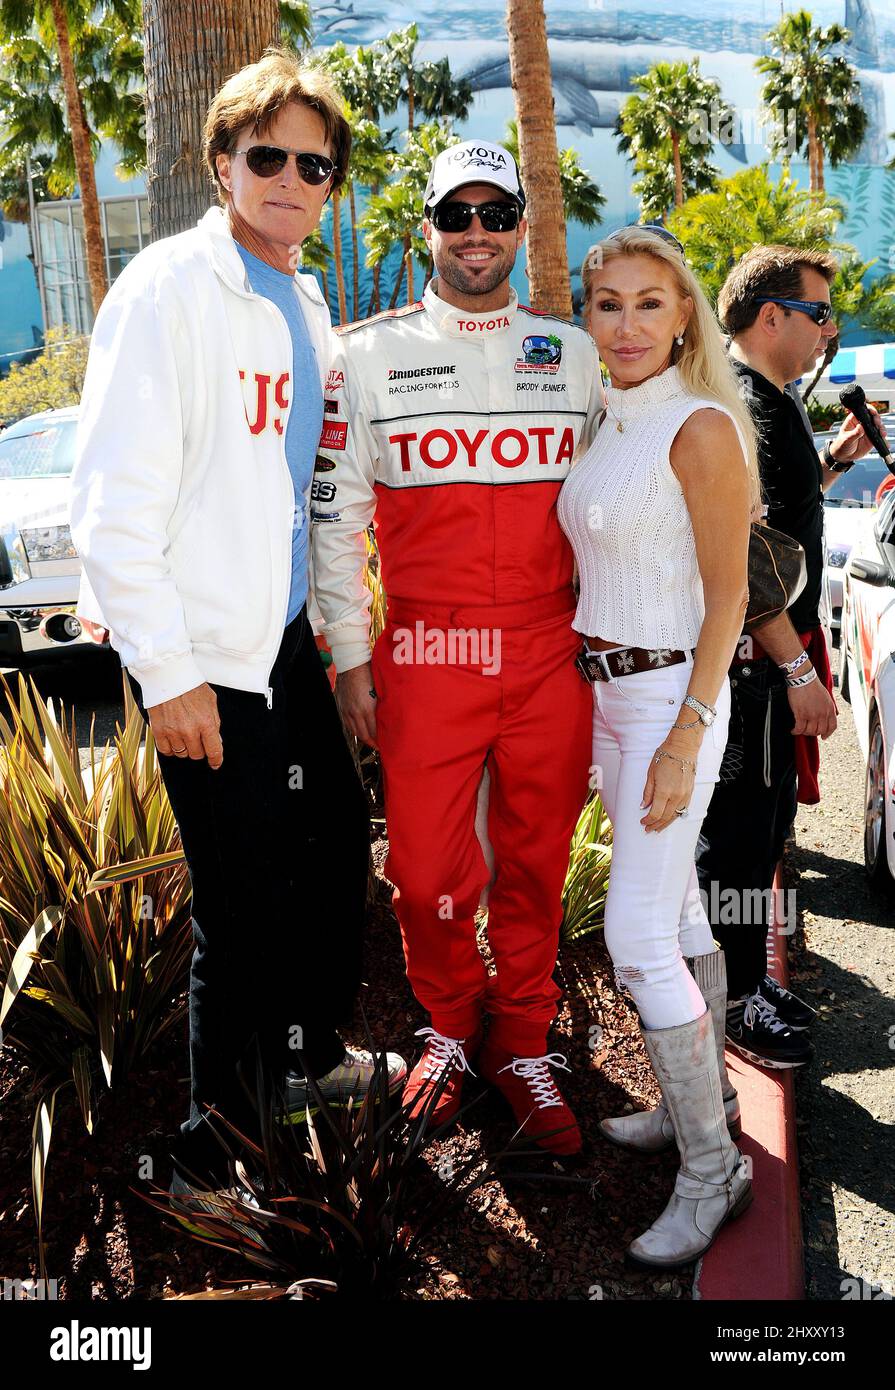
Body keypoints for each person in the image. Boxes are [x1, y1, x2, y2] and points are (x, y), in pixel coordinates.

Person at [69, 49, 405, 1213]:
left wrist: (334, 647)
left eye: (315, 166)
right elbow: (111, 505)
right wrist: (168, 675)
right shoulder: (167, 290)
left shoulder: (303, 301)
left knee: (331, 854)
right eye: (269, 157)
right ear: (222, 162)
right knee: (242, 901)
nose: (292, 181)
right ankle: (211, 1153)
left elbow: (304, 484)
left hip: (282, 645)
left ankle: (303, 1063)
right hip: (204, 660)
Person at [311, 140, 604, 1155]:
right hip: (427, 648)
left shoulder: (573, 354)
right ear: (426, 228)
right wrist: (351, 659)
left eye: (496, 214)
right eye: (455, 215)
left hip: (549, 644)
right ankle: (447, 1029)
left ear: (522, 225)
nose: (476, 234)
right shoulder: (364, 353)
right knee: (427, 867)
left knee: (534, 857)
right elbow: (335, 519)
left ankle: (520, 1040)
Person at [558, 224, 757, 1267]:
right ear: (586, 316)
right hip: (608, 696)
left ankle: (711, 1169)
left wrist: (685, 733)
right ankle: (703, 1102)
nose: (627, 324)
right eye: (608, 304)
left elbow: (728, 599)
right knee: (675, 911)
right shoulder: (609, 418)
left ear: (685, 315)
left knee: (635, 937)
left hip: (672, 697)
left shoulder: (701, 427)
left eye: (649, 302)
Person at [697, 246, 884, 1069]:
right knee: (736, 838)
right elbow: (744, 555)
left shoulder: (767, 403)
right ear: (769, 316)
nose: (828, 333)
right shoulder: (745, 409)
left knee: (762, 830)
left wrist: (833, 463)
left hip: (767, 661)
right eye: (819, 314)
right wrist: (798, 668)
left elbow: (783, 520)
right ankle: (733, 999)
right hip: (754, 665)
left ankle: (745, 981)